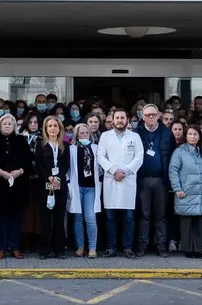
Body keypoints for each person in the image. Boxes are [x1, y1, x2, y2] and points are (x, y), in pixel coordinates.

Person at [97, 109, 144, 258]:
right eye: (117, 118)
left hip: (127, 180)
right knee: (110, 217)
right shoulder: (105, 136)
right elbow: (100, 156)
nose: (119, 120)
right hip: (111, 179)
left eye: (122, 118)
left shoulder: (135, 137)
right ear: (112, 120)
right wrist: (114, 170)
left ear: (127, 120)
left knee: (129, 217)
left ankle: (127, 247)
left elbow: (139, 157)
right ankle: (111, 247)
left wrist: (125, 171)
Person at [0, 114, 31, 260]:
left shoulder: (21, 141)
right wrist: (0, 172)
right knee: (0, 218)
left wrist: (20, 171)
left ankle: (15, 247)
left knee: (16, 218)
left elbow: (28, 161)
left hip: (18, 185)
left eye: (9, 124)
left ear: (14, 126)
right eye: (4, 124)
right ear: (0, 126)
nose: (7, 126)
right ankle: (0, 248)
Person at [135, 104, 174, 257]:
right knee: (144, 215)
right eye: (147, 115)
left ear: (159, 115)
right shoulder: (136, 133)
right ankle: (142, 245)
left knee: (161, 215)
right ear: (142, 116)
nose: (150, 117)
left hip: (161, 179)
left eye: (153, 114)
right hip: (143, 179)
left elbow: (171, 156)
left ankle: (161, 245)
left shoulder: (167, 133)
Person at [169, 124, 202, 258]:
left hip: (201, 191)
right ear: (186, 136)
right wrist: (177, 189)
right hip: (185, 191)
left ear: (199, 137)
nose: (192, 137)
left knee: (198, 222)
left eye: (195, 134)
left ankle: (197, 249)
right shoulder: (179, 152)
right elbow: (173, 171)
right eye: (190, 134)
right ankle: (188, 249)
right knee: (186, 221)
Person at [34, 117, 70, 259]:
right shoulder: (41, 145)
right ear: (46, 128)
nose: (53, 128)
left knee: (59, 219)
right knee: (45, 219)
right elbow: (38, 165)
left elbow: (66, 165)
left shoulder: (65, 145)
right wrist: (49, 177)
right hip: (45, 184)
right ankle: (44, 250)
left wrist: (58, 178)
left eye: (55, 125)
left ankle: (59, 250)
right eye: (50, 126)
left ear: (59, 128)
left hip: (60, 184)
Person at [68, 123, 101, 258]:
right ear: (76, 135)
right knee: (78, 218)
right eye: (81, 133)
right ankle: (80, 246)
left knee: (90, 218)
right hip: (77, 187)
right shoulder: (71, 149)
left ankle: (92, 248)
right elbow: (68, 169)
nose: (84, 135)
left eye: (86, 133)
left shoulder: (96, 148)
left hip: (91, 188)